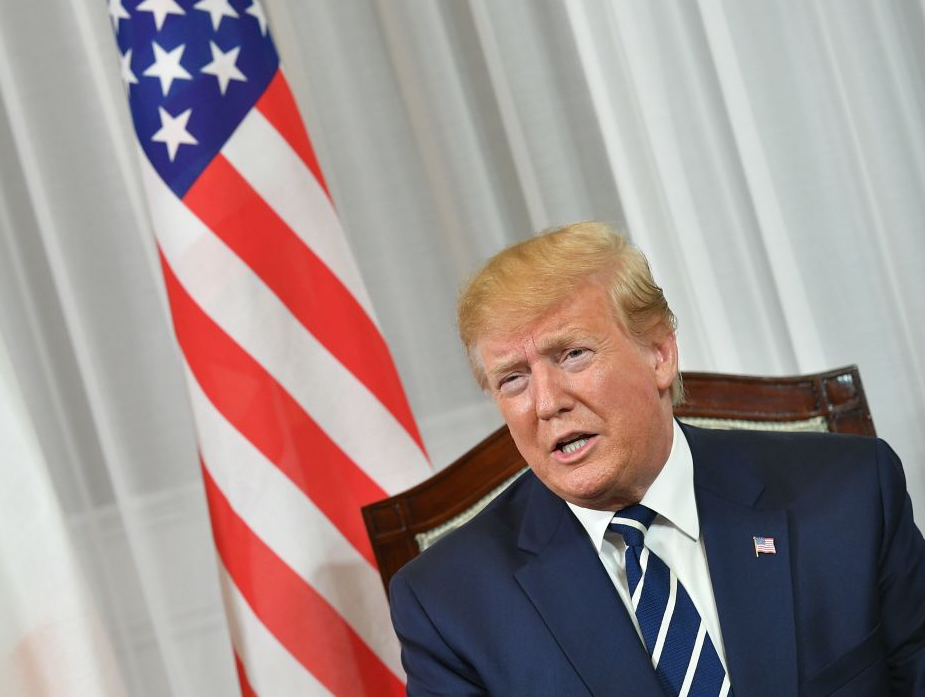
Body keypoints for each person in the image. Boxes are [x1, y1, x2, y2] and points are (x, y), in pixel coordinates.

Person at [389, 221, 925, 696]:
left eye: (572, 354)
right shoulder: (449, 605)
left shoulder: (848, 495)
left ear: (659, 354)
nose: (547, 402)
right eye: (514, 379)